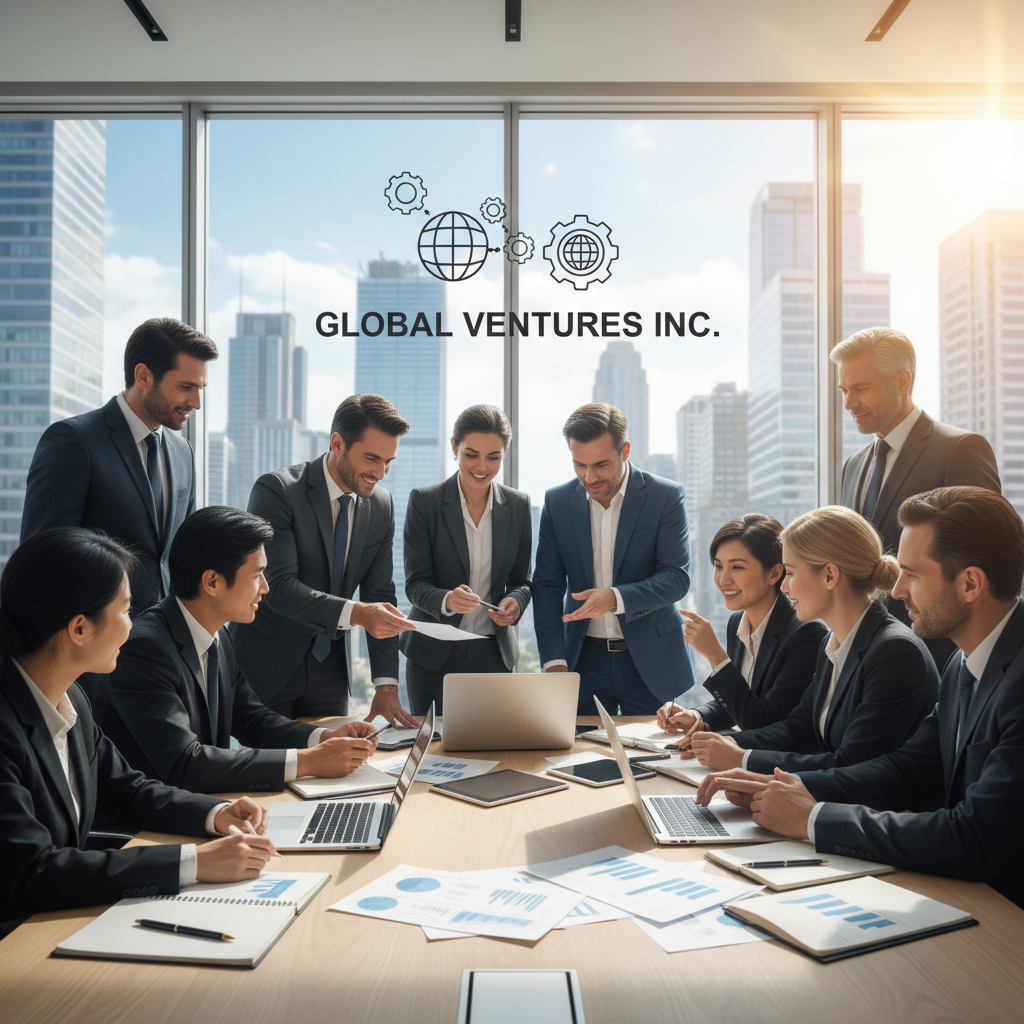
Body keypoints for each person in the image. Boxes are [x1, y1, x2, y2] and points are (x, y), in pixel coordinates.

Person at [695, 487, 1024, 910]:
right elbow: (907, 770)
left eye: (913, 574)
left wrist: (813, 818)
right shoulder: (963, 665)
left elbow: (974, 837)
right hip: (965, 891)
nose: (898, 588)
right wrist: (781, 787)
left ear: (970, 583)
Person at [0, 527, 278, 939]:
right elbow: (32, 873)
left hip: (56, 920)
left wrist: (215, 814)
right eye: (127, 610)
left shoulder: (70, 697)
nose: (134, 626)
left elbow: (128, 792)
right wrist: (194, 863)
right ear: (79, 629)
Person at [92, 506, 381, 793]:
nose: (265, 588)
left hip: (211, 804)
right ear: (212, 582)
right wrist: (308, 762)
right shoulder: (145, 650)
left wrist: (324, 738)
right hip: (150, 827)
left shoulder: (218, 633)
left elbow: (252, 720)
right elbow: (185, 763)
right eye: (257, 574)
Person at [684, 505, 938, 773]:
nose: (783, 586)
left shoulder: (895, 652)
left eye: (790, 573)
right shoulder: (834, 644)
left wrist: (742, 759)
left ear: (830, 576)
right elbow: (799, 729)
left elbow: (850, 763)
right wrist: (721, 744)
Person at [230, 393, 417, 724]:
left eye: (389, 462)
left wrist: (385, 685)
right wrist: (358, 613)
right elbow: (280, 586)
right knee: (268, 773)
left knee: (331, 773)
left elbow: (380, 595)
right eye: (372, 458)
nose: (381, 473)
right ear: (338, 443)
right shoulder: (277, 490)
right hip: (266, 668)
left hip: (330, 674)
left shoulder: (382, 506)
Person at [21, 318, 219, 619]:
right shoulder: (74, 441)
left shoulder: (182, 451)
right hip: (95, 644)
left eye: (200, 388)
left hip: (164, 643)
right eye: (186, 387)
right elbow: (42, 560)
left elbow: (178, 554)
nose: (196, 402)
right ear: (143, 376)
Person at [833, 326, 1000, 667]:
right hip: (866, 661)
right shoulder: (853, 466)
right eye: (844, 390)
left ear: (902, 381)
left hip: (940, 659)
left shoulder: (960, 450)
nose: (849, 403)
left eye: (861, 388)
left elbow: (991, 558)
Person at [533, 403, 693, 715]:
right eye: (579, 465)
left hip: (650, 663)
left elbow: (677, 577)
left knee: (651, 761)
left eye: (601, 465)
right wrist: (554, 663)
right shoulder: (557, 501)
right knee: (576, 761)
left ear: (625, 451)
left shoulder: (666, 497)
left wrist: (614, 598)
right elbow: (547, 586)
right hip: (581, 662)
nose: (589, 477)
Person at [401, 405, 532, 715]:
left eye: (494, 457)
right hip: (434, 652)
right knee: (434, 750)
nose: (482, 467)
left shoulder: (518, 505)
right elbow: (415, 583)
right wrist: (446, 599)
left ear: (505, 453)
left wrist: (516, 601)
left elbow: (522, 581)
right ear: (453, 447)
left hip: (494, 653)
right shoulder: (425, 501)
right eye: (471, 455)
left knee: (493, 750)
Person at [656, 513, 826, 747]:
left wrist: (715, 656)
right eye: (718, 566)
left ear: (774, 573)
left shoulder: (806, 635)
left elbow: (764, 722)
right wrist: (697, 716)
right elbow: (740, 700)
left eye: (737, 567)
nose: (723, 580)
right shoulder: (737, 622)